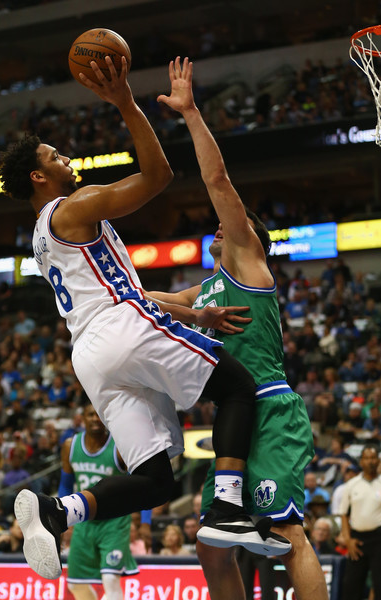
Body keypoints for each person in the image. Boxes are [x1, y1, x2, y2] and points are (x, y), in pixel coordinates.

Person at [0, 56, 290, 580]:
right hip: (123, 328)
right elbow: (158, 176)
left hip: (91, 356)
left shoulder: (41, 241)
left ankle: (56, 512)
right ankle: (228, 508)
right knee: (238, 387)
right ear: (40, 176)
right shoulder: (72, 206)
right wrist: (125, 101)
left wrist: (193, 310)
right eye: (55, 155)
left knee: (155, 479)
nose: (68, 158)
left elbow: (134, 291)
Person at [151, 56, 328, 600]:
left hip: (271, 409)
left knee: (287, 531)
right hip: (234, 417)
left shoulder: (250, 266)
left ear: (248, 237)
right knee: (210, 543)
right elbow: (150, 298)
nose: (220, 225)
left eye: (232, 223)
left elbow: (217, 179)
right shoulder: (203, 291)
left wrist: (190, 113)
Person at [59, 403, 139, 600]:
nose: (95, 418)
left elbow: (141, 484)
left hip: (114, 522)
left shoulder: (119, 447)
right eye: (90, 414)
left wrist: (144, 522)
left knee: (111, 580)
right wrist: (63, 519)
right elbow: (65, 486)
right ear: (82, 419)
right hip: (84, 522)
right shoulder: (70, 446)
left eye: (99, 415)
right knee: (74, 584)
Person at [338, 443, 381, 600]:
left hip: (379, 538)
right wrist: (348, 540)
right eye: (366, 458)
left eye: (373, 458)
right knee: (351, 585)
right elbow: (343, 515)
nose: (370, 461)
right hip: (357, 539)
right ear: (361, 461)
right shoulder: (351, 485)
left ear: (378, 460)